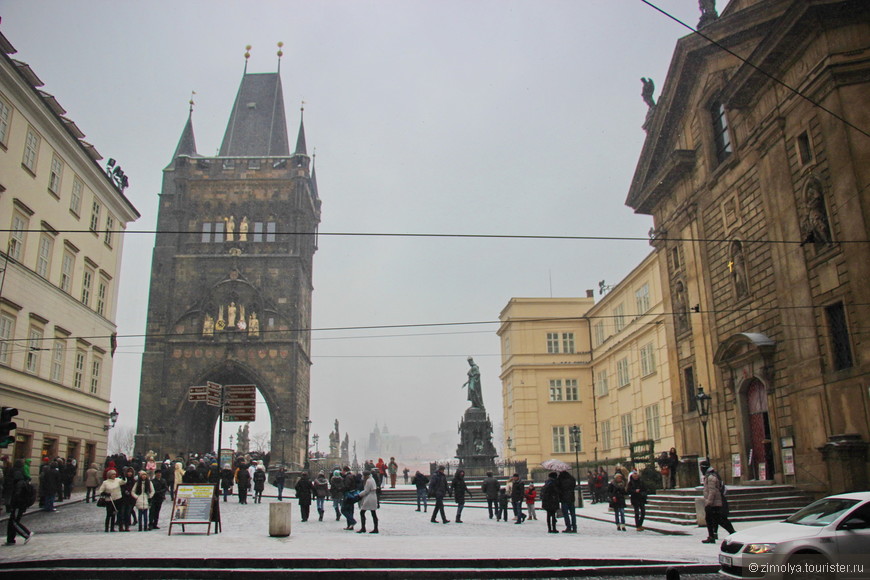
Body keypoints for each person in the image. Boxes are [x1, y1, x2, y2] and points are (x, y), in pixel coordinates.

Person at [701, 460, 735, 543]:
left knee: (719, 519)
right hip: (714, 502)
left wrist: (708, 502)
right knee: (713, 519)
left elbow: (712, 491)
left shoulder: (711, 477)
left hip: (714, 503)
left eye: (701, 468)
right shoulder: (709, 475)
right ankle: (712, 536)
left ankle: (732, 533)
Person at [5, 460, 33, 545]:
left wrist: (13, 504)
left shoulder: (19, 483)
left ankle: (27, 534)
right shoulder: (23, 478)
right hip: (19, 504)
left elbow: (17, 495)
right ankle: (10, 540)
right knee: (11, 522)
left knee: (14, 521)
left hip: (18, 504)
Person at [96, 468, 123, 533]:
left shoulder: (117, 480)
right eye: (112, 475)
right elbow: (100, 491)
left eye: (114, 474)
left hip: (117, 499)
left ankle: (112, 528)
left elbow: (124, 481)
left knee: (114, 514)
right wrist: (105, 493)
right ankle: (106, 528)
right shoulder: (105, 482)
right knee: (109, 514)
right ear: (109, 475)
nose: (114, 476)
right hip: (109, 500)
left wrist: (124, 476)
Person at [118, 466, 137, 531]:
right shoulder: (123, 480)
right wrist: (124, 491)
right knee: (122, 513)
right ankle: (121, 526)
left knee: (128, 513)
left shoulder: (133, 481)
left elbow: (135, 489)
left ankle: (127, 526)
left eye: (131, 472)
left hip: (130, 499)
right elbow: (120, 487)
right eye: (128, 472)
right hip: (123, 499)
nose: (130, 473)